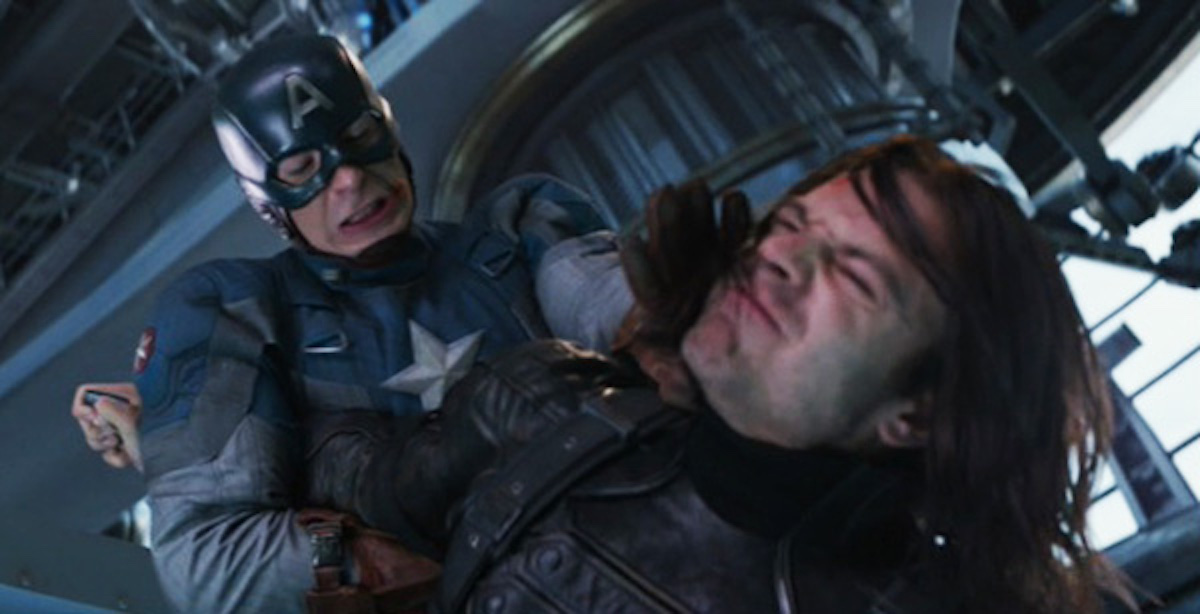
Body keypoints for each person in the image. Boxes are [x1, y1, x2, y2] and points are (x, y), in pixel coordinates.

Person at [304, 135, 1132, 613]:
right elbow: (347, 473)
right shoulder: (541, 401)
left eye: (855, 274)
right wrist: (343, 563)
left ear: (917, 414)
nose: (778, 259)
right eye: (791, 224)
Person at [72, 33, 634, 613]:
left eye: (359, 137)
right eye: (302, 168)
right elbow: (210, 557)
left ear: (389, 133)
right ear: (268, 202)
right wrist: (375, 558)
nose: (349, 179)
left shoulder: (519, 230)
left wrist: (671, 316)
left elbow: (617, 311)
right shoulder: (236, 311)